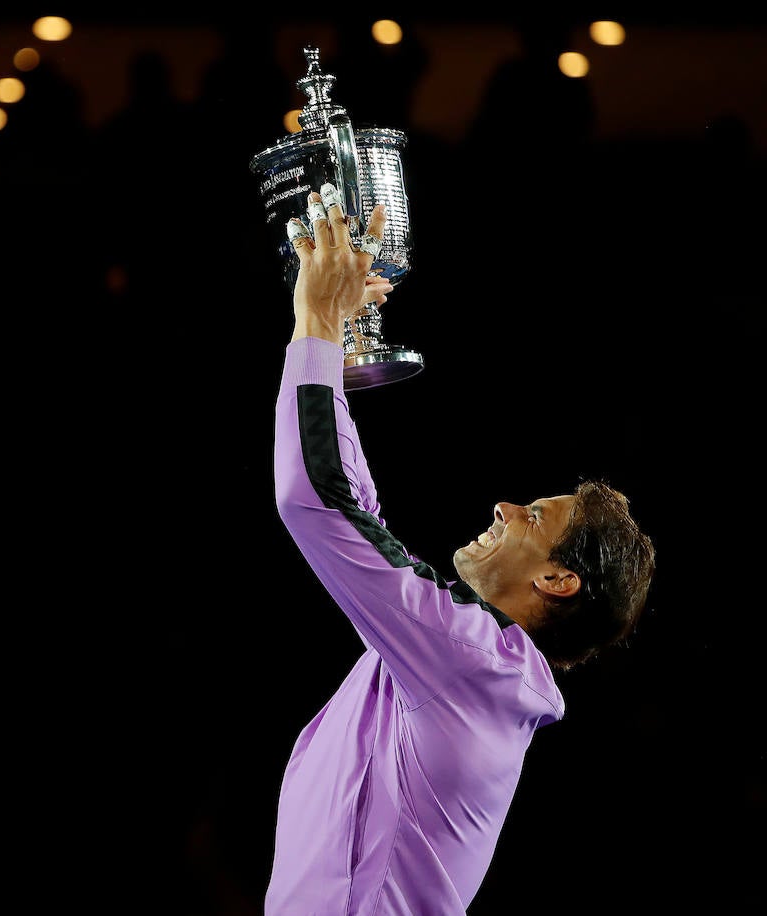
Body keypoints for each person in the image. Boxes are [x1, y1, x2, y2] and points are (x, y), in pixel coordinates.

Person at [265, 184, 655, 914]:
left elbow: (317, 501)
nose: (504, 507)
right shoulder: (462, 660)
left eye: (533, 516)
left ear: (558, 580)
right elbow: (355, 509)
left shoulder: (468, 659)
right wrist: (333, 348)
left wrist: (316, 319)